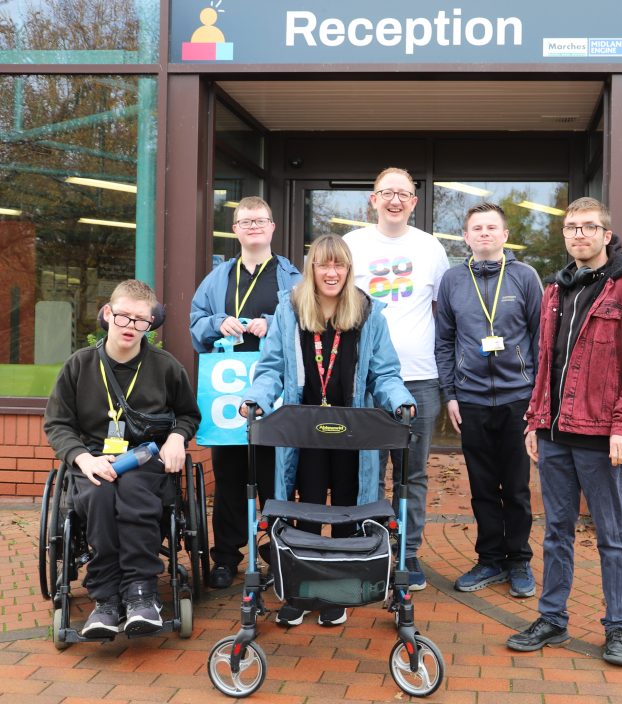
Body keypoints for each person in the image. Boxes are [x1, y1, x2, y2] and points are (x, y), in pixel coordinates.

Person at [506, 197, 622, 667]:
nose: (579, 234)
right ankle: (552, 618)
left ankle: (618, 628)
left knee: (611, 534)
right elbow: (544, 363)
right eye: (572, 227)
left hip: (601, 436)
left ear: (606, 233)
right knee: (556, 532)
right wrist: (535, 420)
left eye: (588, 227)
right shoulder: (556, 289)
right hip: (554, 434)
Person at [239, 234, 415, 628]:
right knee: (307, 508)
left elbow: (384, 372)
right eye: (324, 265)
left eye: (339, 266)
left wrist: (400, 400)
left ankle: (340, 591)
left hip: (354, 434)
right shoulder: (289, 310)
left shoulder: (369, 313)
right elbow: (270, 370)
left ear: (348, 270)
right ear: (312, 269)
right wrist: (256, 399)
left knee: (349, 512)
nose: (331, 273)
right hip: (304, 433)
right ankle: (303, 591)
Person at [44, 280, 201, 638]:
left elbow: (188, 414)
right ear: (107, 314)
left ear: (151, 324)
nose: (131, 326)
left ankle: (141, 593)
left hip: (145, 457)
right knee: (99, 495)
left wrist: (177, 437)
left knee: (132, 492)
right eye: (123, 316)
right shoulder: (79, 366)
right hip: (93, 460)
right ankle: (106, 600)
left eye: (140, 320)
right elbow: (57, 423)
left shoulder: (165, 367)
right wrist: (82, 459)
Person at [343, 167, 449, 590]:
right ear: (372, 199)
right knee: (366, 468)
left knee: (412, 473)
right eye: (386, 192)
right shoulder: (352, 244)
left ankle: (408, 553)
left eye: (403, 194)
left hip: (420, 379)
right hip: (363, 379)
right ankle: (368, 548)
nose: (394, 200)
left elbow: (444, 312)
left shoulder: (431, 248)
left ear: (414, 202)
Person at [190, 196, 301, 589]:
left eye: (260, 220)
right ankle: (226, 557)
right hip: (228, 392)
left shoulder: (291, 277)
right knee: (230, 474)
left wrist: (272, 324)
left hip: (276, 390)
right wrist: (219, 324)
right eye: (245, 220)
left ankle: (280, 552)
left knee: (278, 475)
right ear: (234, 229)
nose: (253, 226)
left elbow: (308, 324)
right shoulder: (217, 278)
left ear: (273, 228)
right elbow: (195, 324)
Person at [435, 202, 542, 596]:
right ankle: (490, 560)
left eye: (491, 227)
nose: (484, 233)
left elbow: (541, 341)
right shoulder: (451, 281)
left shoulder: (525, 277)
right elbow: (443, 341)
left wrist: (537, 398)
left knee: (515, 487)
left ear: (504, 235)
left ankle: (519, 562)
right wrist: (451, 394)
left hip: (518, 399)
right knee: (481, 486)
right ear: (465, 237)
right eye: (476, 228)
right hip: (472, 399)